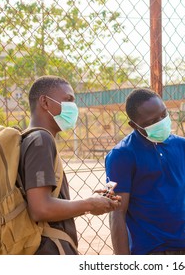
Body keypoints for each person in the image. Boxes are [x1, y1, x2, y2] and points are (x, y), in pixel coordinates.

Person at [19, 75, 121, 254]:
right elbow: (40, 208)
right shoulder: (41, 140)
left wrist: (95, 203)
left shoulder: (29, 138)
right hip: (46, 251)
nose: (73, 107)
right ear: (45, 102)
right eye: (68, 100)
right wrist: (89, 204)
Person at [105, 88, 185, 255]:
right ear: (134, 125)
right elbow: (118, 213)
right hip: (150, 251)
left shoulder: (184, 146)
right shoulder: (122, 154)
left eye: (164, 114)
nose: (161, 122)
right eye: (152, 121)